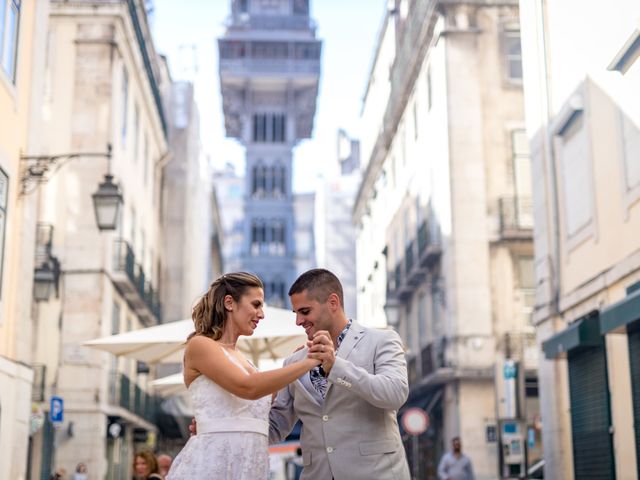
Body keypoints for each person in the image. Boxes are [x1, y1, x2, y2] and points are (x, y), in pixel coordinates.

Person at [167, 272, 322, 479]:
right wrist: (308, 363)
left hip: (251, 466)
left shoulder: (244, 359)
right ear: (229, 303)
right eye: (256, 305)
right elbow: (249, 388)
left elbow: (261, 397)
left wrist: (293, 362)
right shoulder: (201, 345)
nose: (261, 314)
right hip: (212, 465)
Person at [269, 268, 411, 479]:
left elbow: (394, 394)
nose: (298, 321)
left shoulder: (382, 341)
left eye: (305, 311)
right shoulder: (293, 362)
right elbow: (275, 428)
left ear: (333, 302)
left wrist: (335, 366)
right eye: (296, 313)